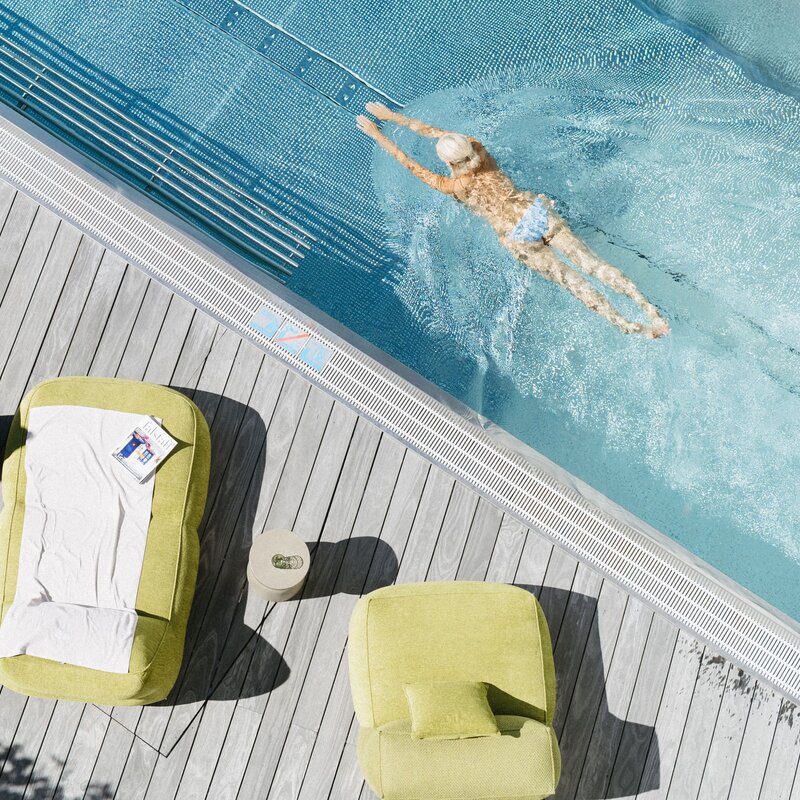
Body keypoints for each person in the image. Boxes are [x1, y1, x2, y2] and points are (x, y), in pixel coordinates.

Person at [357, 103, 670, 338]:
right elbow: (435, 132)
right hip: (533, 212)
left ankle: (628, 325)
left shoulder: (453, 186)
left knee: (573, 282)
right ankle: (649, 310)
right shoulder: (479, 147)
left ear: (448, 162)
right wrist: (396, 116)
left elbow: (410, 165)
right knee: (593, 265)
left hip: (515, 235)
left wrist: (378, 132)